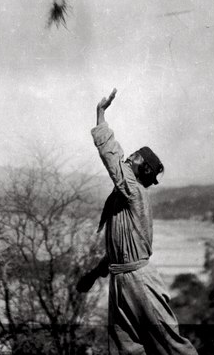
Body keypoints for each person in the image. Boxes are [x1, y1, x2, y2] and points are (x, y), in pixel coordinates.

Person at [77, 88, 199, 355]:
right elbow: (117, 253)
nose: (128, 158)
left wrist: (100, 114)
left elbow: (112, 159)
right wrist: (94, 274)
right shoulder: (125, 198)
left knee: (172, 348)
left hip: (139, 282)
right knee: (125, 350)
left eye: (133, 158)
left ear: (141, 171)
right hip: (121, 282)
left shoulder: (135, 191)